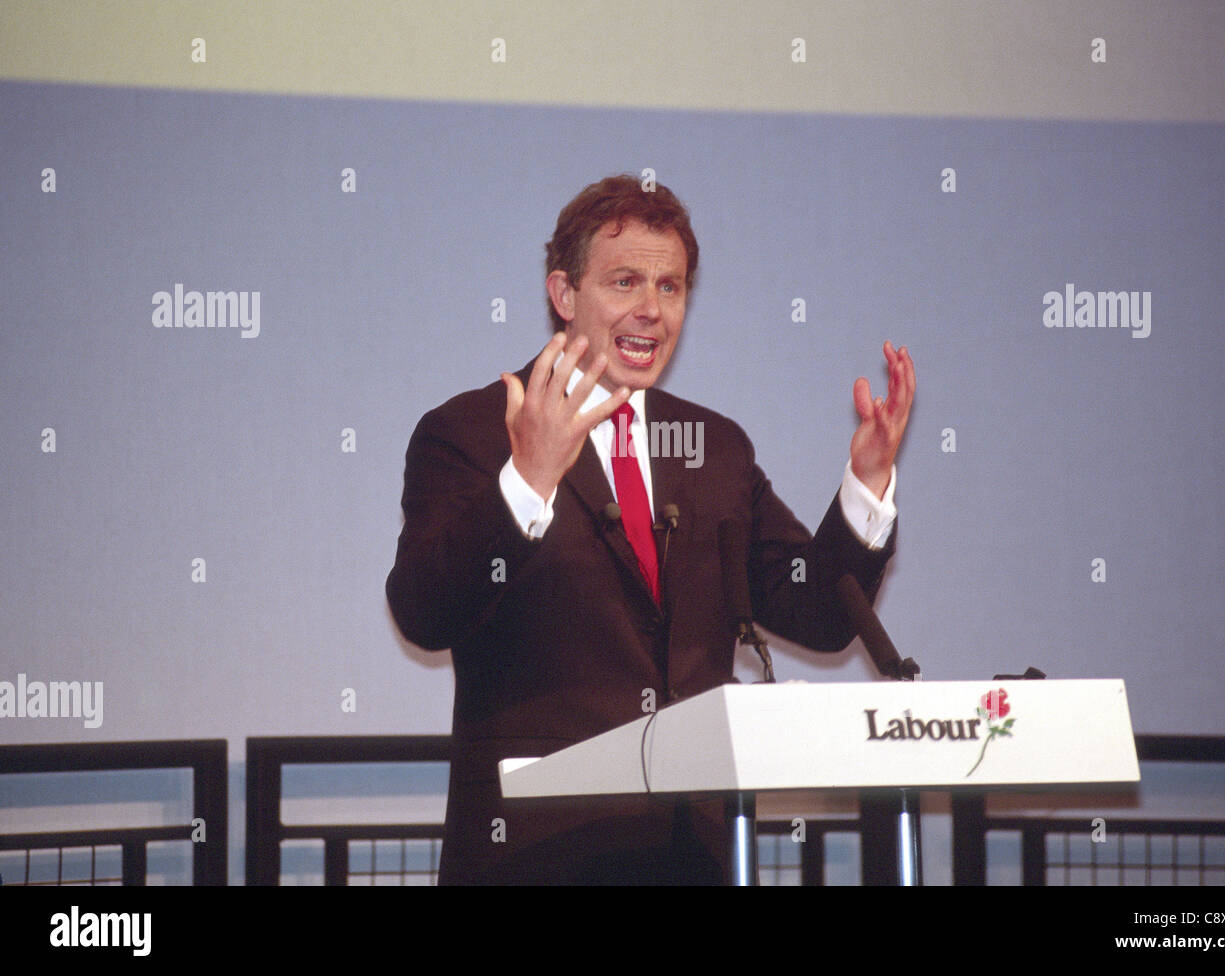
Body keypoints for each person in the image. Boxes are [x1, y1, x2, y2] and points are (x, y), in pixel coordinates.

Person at [386, 175, 915, 884]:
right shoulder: (472, 432)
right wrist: (528, 479)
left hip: (692, 854)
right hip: (536, 853)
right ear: (564, 294)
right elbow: (425, 612)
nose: (651, 311)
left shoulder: (713, 446)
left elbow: (816, 612)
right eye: (625, 282)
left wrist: (867, 484)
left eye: (671, 287)